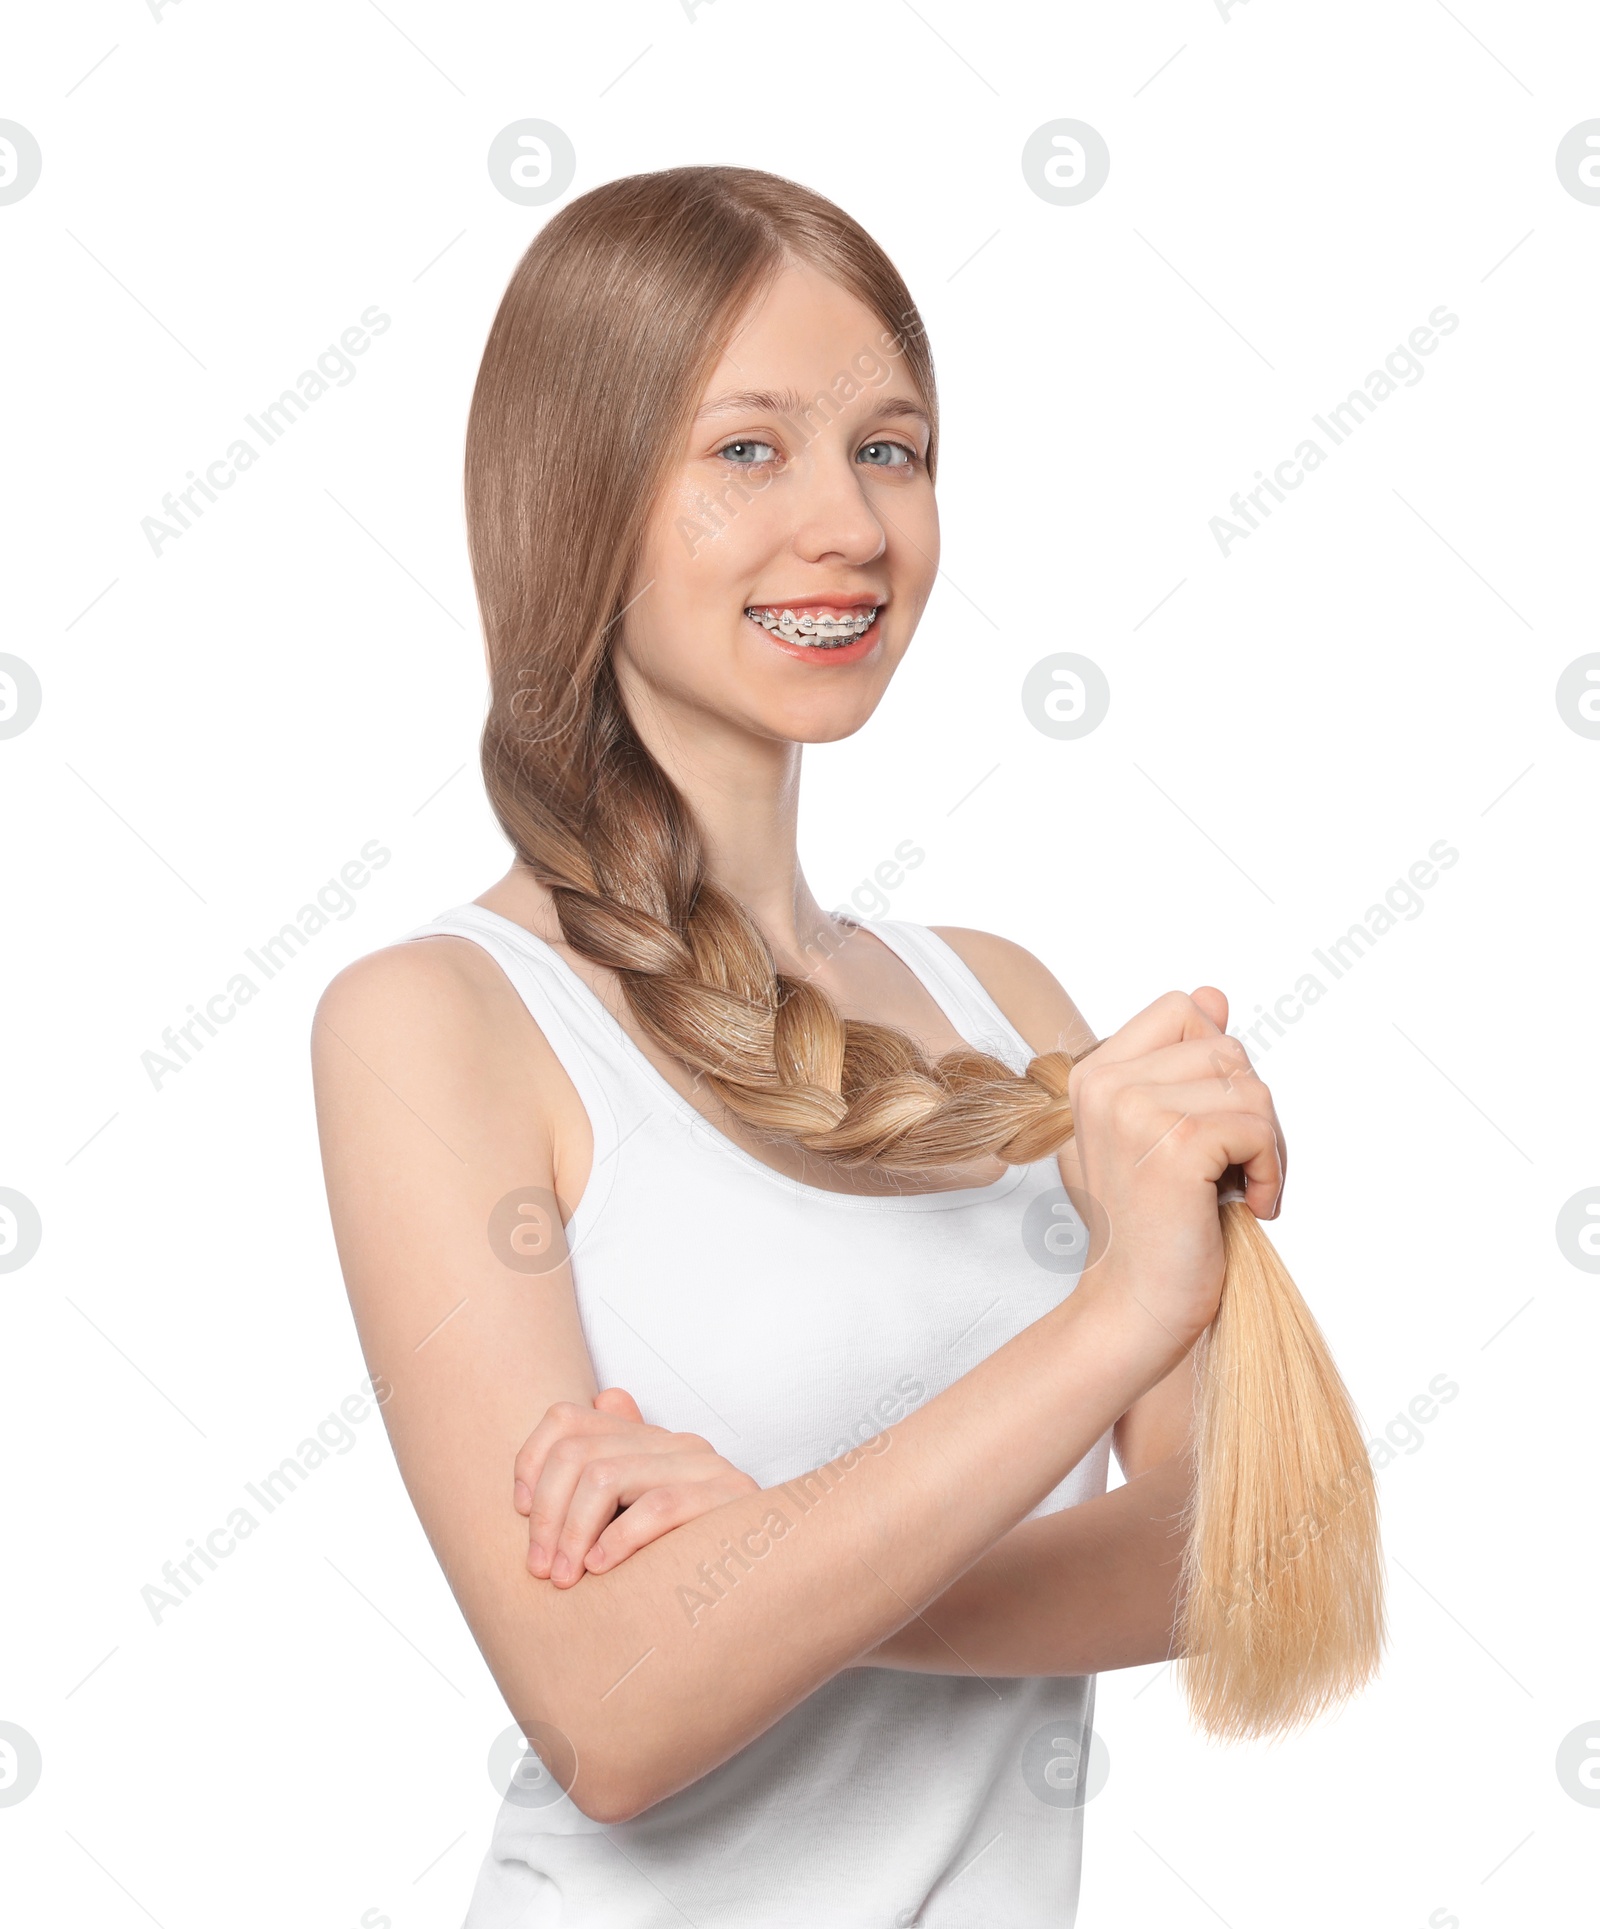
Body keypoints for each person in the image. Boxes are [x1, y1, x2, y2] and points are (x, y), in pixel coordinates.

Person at [312, 164, 1285, 1928]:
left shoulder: (1009, 1001)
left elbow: (1240, 1555)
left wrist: (778, 1556)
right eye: (746, 450)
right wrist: (1117, 1317)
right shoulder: (436, 1021)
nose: (847, 524)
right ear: (580, 497)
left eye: (890, 450)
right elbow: (610, 1712)